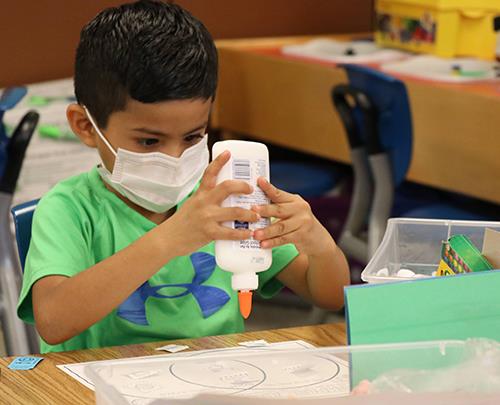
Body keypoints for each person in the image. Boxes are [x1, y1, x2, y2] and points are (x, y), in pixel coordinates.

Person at [17, 0, 350, 353]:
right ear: (86, 127)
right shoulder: (69, 208)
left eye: (192, 137)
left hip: (218, 378)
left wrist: (317, 240)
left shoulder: (226, 200)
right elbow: (53, 321)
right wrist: (170, 239)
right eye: (149, 141)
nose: (174, 158)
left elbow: (329, 296)